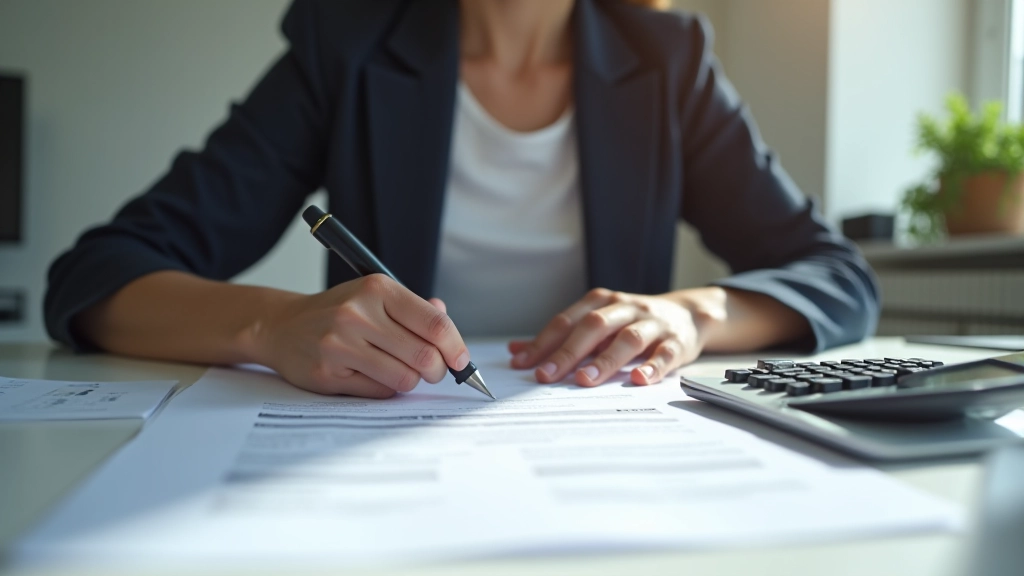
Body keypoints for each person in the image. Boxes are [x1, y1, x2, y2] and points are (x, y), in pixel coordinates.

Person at [44, 0, 878, 399]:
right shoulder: (346, 46)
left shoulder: (667, 61)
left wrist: (693, 313)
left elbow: (838, 277)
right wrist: (270, 324)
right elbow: (95, 277)